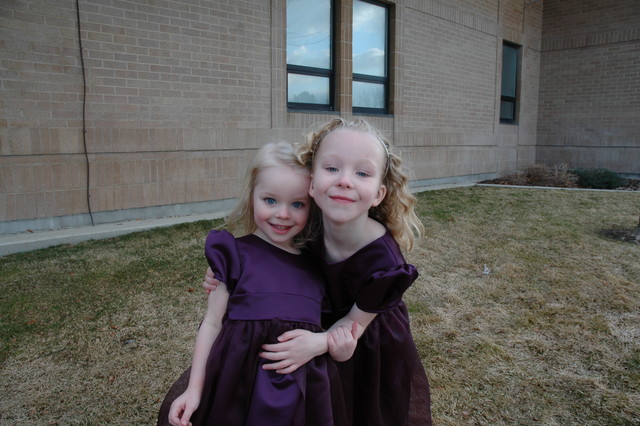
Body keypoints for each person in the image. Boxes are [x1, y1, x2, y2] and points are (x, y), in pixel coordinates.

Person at [206, 118, 432, 425]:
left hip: (363, 338)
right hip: (315, 318)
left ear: (378, 194)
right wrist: (228, 275)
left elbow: (354, 323)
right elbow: (271, 259)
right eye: (332, 168)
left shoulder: (383, 258)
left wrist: (319, 343)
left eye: (362, 173)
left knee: (356, 408)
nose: (344, 181)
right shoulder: (308, 222)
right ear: (312, 183)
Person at [161, 141, 354, 426]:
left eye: (297, 204)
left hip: (300, 397)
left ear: (312, 206)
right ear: (253, 197)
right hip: (236, 390)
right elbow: (212, 323)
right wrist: (194, 388)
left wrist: (336, 346)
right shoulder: (233, 256)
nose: (283, 214)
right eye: (271, 200)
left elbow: (330, 332)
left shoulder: (317, 267)